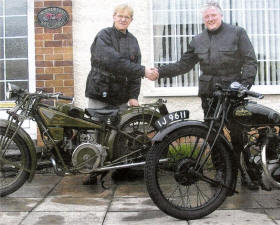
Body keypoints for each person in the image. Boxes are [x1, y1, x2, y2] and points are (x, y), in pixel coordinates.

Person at [156, 1, 258, 189]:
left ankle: (246, 173)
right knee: (213, 134)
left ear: (221, 16)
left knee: (238, 136)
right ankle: (221, 172)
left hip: (233, 94)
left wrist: (244, 85)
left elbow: (250, 61)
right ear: (203, 19)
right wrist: (160, 72)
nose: (210, 19)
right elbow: (183, 65)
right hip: (210, 95)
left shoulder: (237, 33)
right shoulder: (198, 40)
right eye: (207, 17)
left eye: (213, 16)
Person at [84, 4, 158, 185]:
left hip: (121, 96)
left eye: (127, 17)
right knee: (97, 132)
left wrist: (133, 96)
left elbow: (134, 73)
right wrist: (142, 70)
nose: (123, 19)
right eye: (120, 16)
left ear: (131, 20)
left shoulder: (133, 41)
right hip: (99, 93)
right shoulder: (103, 36)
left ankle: (121, 170)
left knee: (122, 134)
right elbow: (113, 61)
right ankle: (93, 171)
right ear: (114, 16)